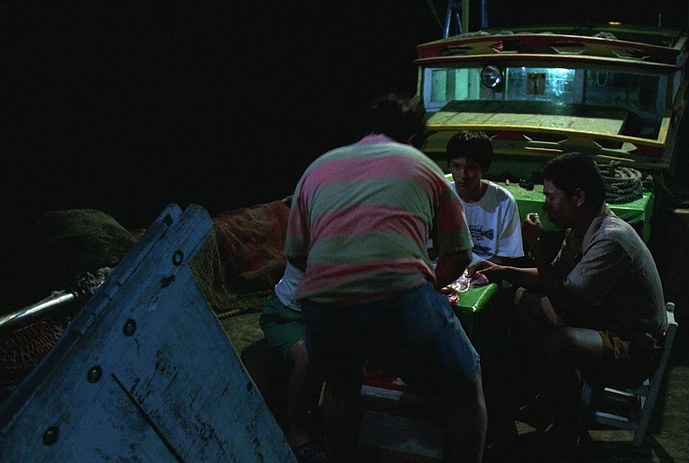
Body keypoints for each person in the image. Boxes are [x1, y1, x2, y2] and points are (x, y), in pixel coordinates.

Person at [284, 93, 487, 463]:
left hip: (323, 302)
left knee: (341, 388)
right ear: (412, 139)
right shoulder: (421, 166)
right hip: (399, 297)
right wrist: (425, 282)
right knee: (464, 384)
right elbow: (459, 254)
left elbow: (297, 254)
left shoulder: (317, 168)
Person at [468, 152, 668, 448]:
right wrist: (501, 271)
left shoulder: (610, 239)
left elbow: (564, 305)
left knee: (558, 340)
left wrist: (535, 246)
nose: (545, 205)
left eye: (551, 197)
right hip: (602, 321)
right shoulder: (579, 228)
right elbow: (551, 277)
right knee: (522, 298)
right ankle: (554, 393)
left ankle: (565, 425)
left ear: (578, 197)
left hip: (635, 346)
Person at [259, 261, 330, 463]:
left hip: (325, 315)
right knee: (307, 357)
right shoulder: (314, 244)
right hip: (288, 315)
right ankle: (297, 431)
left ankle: (329, 427)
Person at [446, 130, 524, 265]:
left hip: (488, 272)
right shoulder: (440, 196)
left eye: (471, 168)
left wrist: (475, 268)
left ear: (484, 169)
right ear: (449, 166)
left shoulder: (503, 201)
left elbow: (506, 258)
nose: (463, 175)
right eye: (457, 166)